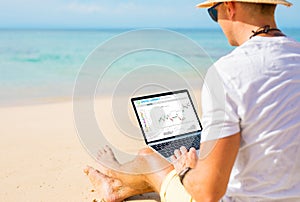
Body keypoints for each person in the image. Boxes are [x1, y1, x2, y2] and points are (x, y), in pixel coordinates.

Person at [84, 0, 300, 201]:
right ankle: (117, 187)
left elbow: (208, 193)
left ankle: (113, 172)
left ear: (230, 7)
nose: (217, 21)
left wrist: (185, 170)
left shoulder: (229, 72)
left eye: (213, 13)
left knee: (149, 157)